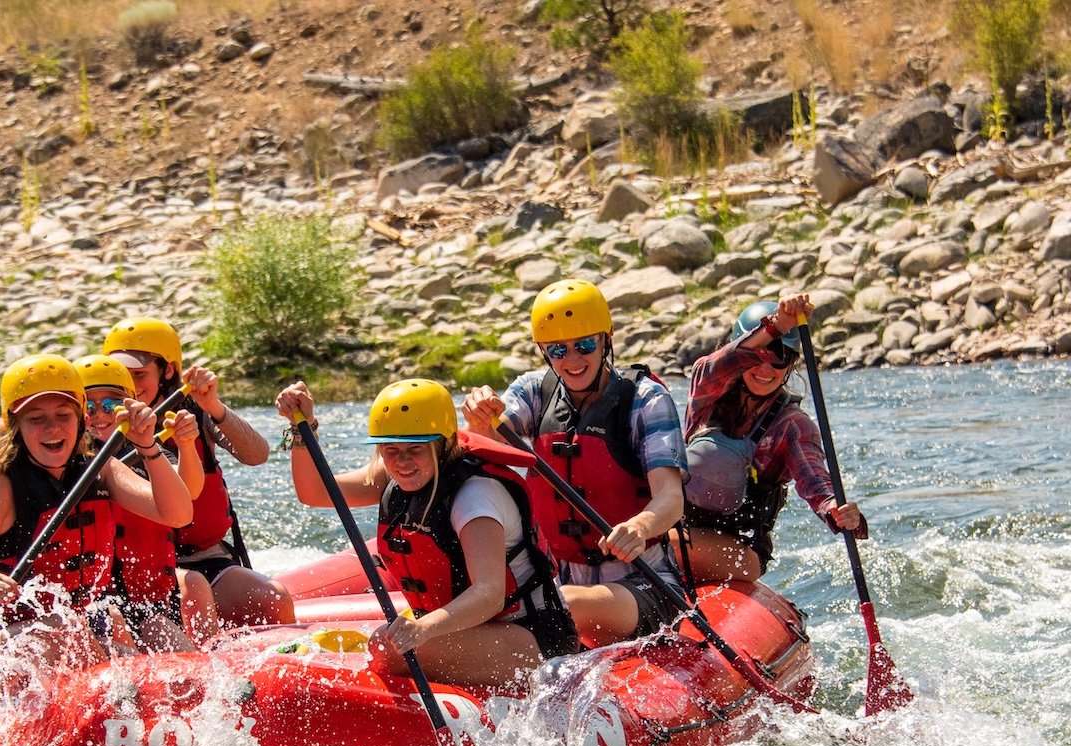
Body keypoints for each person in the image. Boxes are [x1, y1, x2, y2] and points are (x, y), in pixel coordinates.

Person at [276, 378, 577, 690]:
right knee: (388, 642)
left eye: (415, 449)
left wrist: (424, 629)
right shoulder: (401, 475)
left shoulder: (476, 496)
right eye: (390, 449)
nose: (402, 462)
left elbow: (489, 594)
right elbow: (315, 492)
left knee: (385, 647)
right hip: (469, 632)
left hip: (531, 638)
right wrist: (303, 429)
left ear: (444, 443)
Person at [461, 279, 689, 648]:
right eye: (557, 350)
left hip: (644, 581)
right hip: (557, 575)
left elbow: (670, 499)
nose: (572, 360)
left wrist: (640, 526)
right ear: (543, 351)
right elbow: (485, 442)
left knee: (557, 605)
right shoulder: (535, 391)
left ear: (606, 338)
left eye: (584, 345)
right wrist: (479, 418)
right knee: (539, 602)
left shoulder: (646, 399)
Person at [0, 354, 194, 678]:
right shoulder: (1, 488)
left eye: (63, 414)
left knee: (151, 650)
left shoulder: (99, 467)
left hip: (78, 632)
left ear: (81, 419)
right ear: (16, 427)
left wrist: (147, 446)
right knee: (66, 629)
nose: (52, 427)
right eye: (36, 418)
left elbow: (178, 514)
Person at [104, 317, 296, 628]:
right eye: (122, 376)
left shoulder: (194, 413)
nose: (131, 385)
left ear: (167, 371)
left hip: (203, 557)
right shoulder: (103, 422)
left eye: (140, 374)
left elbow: (257, 454)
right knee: (194, 589)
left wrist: (213, 405)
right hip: (144, 565)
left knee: (272, 600)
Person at [677, 297, 866, 583]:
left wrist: (838, 512)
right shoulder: (707, 392)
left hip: (740, 550)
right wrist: (777, 326)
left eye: (780, 360)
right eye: (758, 357)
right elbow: (719, 364)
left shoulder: (793, 426)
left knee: (657, 545)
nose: (766, 370)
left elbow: (816, 483)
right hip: (679, 530)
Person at [75, 354, 222, 644]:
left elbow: (188, 492)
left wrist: (185, 445)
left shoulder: (143, 448)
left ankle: (212, 658)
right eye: (89, 406)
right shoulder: (69, 463)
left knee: (194, 583)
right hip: (99, 601)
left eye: (111, 405)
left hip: (145, 598)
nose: (101, 415)